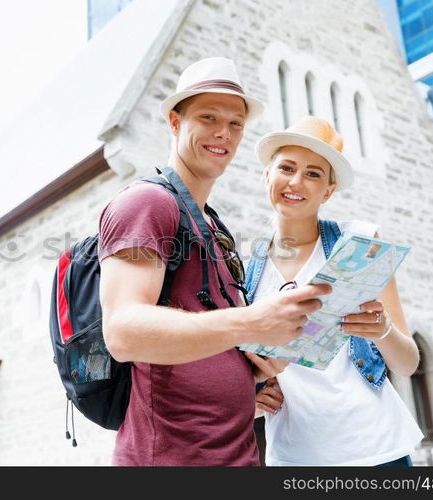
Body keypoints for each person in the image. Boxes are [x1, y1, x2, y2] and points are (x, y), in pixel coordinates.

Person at [98, 58, 332, 466]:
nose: (224, 133)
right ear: (175, 121)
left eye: (236, 123)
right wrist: (254, 322)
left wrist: (252, 375)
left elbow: (201, 339)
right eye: (208, 117)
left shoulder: (212, 225)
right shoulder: (147, 203)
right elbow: (122, 331)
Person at [248, 116, 424, 466]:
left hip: (377, 448)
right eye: (286, 167)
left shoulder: (358, 242)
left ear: (328, 190)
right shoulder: (245, 266)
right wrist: (246, 401)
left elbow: (408, 363)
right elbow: (232, 366)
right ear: (267, 175)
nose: (296, 181)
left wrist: (383, 330)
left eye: (313, 173)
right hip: (294, 456)